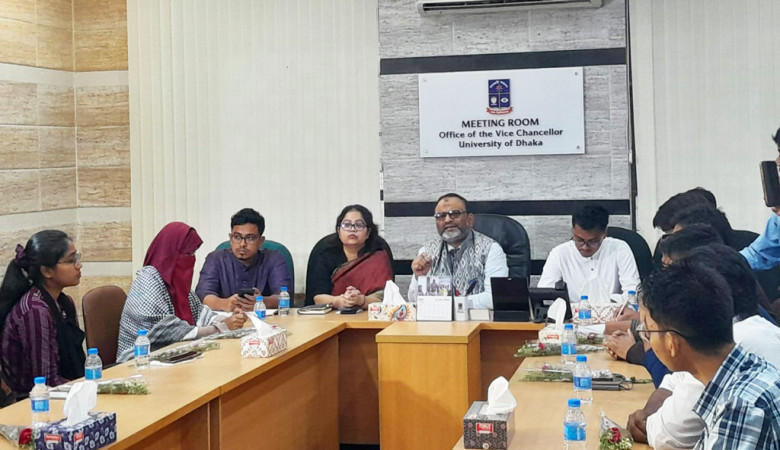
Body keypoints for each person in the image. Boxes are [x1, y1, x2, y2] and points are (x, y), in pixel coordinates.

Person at [628, 244, 780, 448]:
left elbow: (669, 436)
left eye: (648, 331)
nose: (647, 338)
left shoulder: (741, 407)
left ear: (672, 344)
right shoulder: (745, 366)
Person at [117, 222, 245, 362]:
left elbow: (199, 311)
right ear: (171, 252)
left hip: (174, 354)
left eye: (193, 253)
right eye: (188, 254)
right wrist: (221, 327)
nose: (192, 259)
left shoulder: (177, 281)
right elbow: (167, 330)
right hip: (138, 359)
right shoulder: (148, 279)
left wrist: (225, 319)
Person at [0, 230, 85, 395]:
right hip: (34, 401)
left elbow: (74, 363)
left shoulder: (65, 303)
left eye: (77, 257)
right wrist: (90, 389)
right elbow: (46, 381)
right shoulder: (35, 310)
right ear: (47, 271)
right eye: (70, 260)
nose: (78, 265)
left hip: (67, 391)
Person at [408, 193, 507, 309]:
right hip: (438, 320)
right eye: (441, 215)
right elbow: (414, 301)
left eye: (454, 214)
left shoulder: (491, 249)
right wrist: (419, 277)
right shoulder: (427, 252)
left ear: (470, 219)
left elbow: (493, 298)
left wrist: (448, 303)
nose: (447, 220)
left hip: (477, 319)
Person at [538, 204, 639, 305]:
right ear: (573, 231)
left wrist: (606, 303)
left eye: (593, 241)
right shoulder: (559, 253)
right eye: (579, 240)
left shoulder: (619, 249)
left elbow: (633, 293)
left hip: (613, 312)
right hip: (572, 313)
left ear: (604, 233)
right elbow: (545, 295)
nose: (585, 247)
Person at [196, 208, 291, 311]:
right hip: (227, 319)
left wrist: (261, 301)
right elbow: (203, 295)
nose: (242, 244)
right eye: (237, 237)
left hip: (265, 319)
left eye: (250, 238)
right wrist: (225, 304)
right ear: (230, 238)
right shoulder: (215, 259)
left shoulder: (274, 259)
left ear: (261, 241)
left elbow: (283, 296)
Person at [308, 205, 394, 309]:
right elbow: (318, 298)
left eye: (359, 225)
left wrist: (361, 300)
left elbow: (384, 298)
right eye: (347, 225)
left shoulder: (378, 257)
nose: (352, 229)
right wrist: (339, 301)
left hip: (370, 314)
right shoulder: (326, 254)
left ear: (368, 232)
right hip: (332, 314)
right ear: (339, 231)